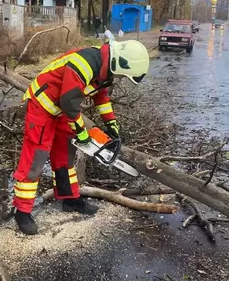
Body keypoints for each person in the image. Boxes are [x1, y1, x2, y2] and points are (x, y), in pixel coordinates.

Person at [12, 38, 150, 235]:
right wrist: (82, 134)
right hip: (43, 108)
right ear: (120, 62)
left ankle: (70, 199)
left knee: (65, 157)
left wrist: (111, 123)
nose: (120, 78)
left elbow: (101, 96)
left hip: (61, 110)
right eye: (122, 75)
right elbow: (70, 103)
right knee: (36, 159)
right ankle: (22, 211)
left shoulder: (104, 67)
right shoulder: (83, 65)